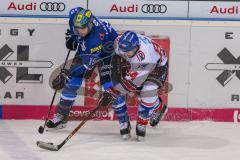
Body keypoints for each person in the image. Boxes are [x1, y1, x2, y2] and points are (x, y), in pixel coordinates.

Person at [46, 7, 118, 128]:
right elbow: (75, 14)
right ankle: (61, 117)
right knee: (72, 83)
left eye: (82, 29)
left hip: (108, 53)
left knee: (109, 88)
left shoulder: (94, 40)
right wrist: (73, 39)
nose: (79, 31)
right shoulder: (74, 16)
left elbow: (86, 64)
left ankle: (126, 121)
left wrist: (66, 74)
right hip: (87, 50)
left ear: (90, 25)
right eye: (76, 28)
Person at [108, 31, 168, 140]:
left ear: (136, 47)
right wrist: (113, 89)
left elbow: (130, 84)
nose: (125, 53)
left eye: (128, 51)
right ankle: (157, 106)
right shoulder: (119, 42)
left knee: (147, 93)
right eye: (123, 50)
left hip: (157, 65)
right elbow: (115, 56)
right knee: (115, 84)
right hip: (137, 64)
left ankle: (143, 120)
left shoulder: (143, 57)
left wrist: (113, 93)